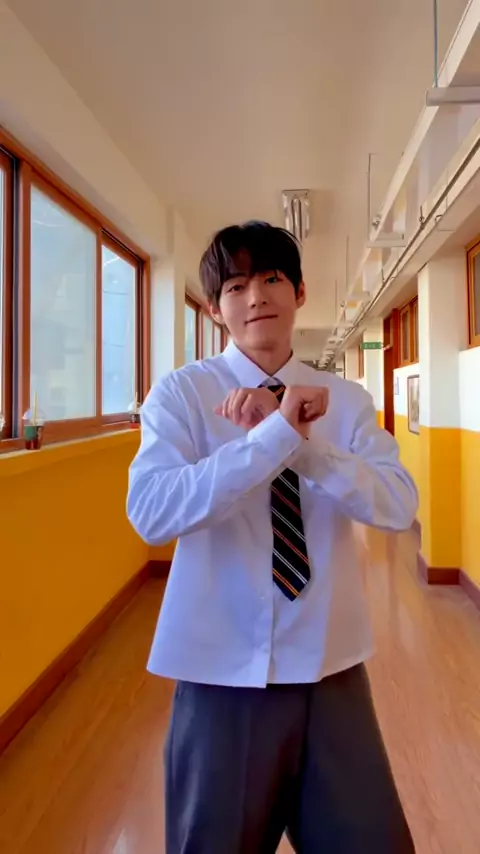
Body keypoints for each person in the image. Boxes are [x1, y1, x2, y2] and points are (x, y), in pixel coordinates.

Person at [127, 221, 417, 854]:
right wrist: (268, 441)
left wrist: (302, 447)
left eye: (272, 278)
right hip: (218, 671)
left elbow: (397, 505)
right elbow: (151, 511)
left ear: (300, 292)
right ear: (215, 307)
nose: (255, 295)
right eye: (235, 286)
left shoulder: (344, 400)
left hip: (330, 666)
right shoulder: (182, 394)